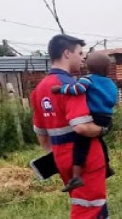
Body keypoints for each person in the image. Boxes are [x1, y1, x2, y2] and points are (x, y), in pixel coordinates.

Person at [31, 34, 114, 219]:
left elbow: (41, 133)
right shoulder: (71, 85)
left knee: (92, 200)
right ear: (67, 53)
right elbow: (83, 128)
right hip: (86, 156)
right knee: (86, 209)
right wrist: (105, 128)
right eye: (79, 53)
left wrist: (58, 155)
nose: (82, 58)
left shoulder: (39, 89)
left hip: (61, 157)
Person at [51, 51, 118, 192]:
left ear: (87, 67)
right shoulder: (110, 82)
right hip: (107, 117)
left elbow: (77, 89)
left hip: (94, 116)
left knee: (81, 144)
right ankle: (106, 166)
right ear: (107, 69)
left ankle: (76, 177)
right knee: (99, 139)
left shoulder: (88, 79)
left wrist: (60, 89)